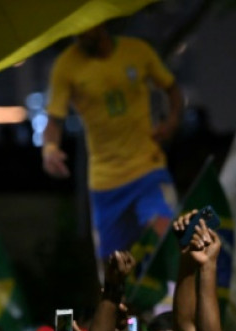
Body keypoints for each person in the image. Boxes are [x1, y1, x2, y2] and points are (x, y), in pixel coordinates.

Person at [42, 23, 182, 262]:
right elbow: (54, 121)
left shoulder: (137, 51)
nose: (81, 34)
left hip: (147, 167)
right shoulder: (66, 65)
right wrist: (50, 150)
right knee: (112, 268)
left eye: (86, 27)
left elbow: (172, 89)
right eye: (77, 29)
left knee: (165, 233)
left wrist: (171, 121)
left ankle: (171, 296)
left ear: (100, 23)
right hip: (105, 180)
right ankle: (125, 298)